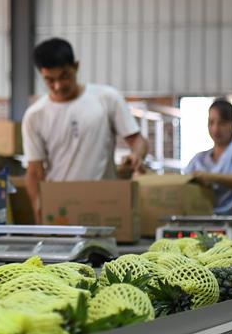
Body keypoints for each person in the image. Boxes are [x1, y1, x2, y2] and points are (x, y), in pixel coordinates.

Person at [22, 38, 149, 224]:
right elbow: (34, 172)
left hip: (104, 204)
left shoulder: (106, 98)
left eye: (64, 76)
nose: (58, 85)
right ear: (41, 75)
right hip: (61, 209)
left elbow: (138, 141)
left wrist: (137, 155)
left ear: (76, 66)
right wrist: (38, 209)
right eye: (50, 80)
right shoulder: (35, 115)